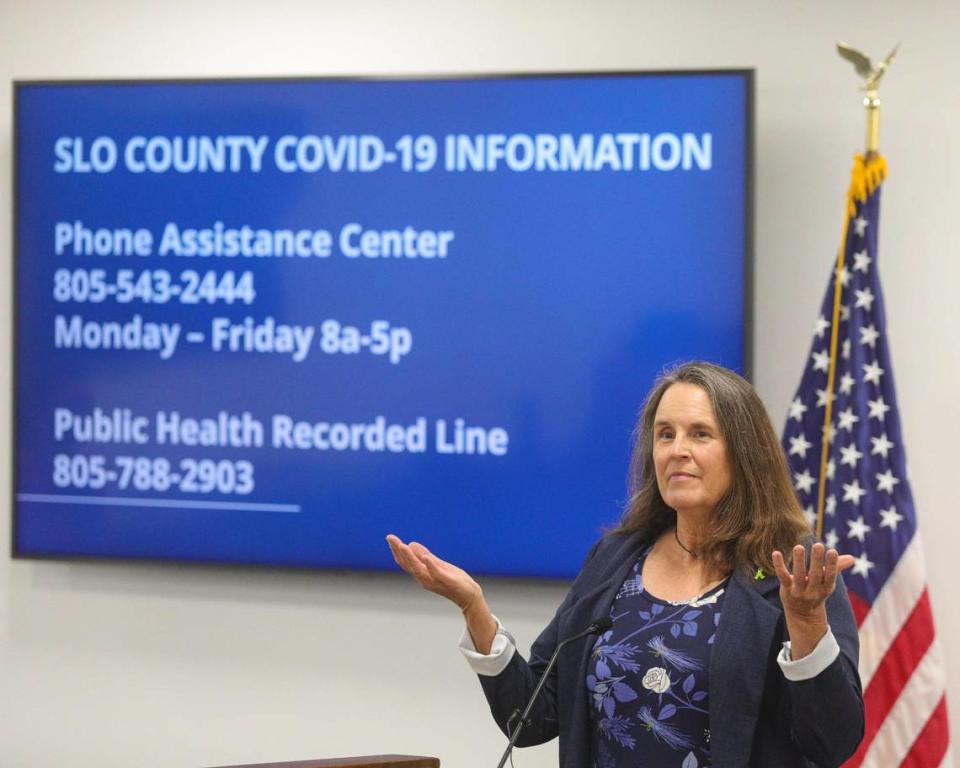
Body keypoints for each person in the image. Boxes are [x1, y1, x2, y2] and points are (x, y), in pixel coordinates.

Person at [387, 362, 864, 767]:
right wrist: (474, 608)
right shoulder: (617, 558)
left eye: (700, 434)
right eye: (665, 434)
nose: (678, 449)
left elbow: (832, 742)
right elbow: (531, 718)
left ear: (744, 453)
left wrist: (805, 623)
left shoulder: (789, 569)